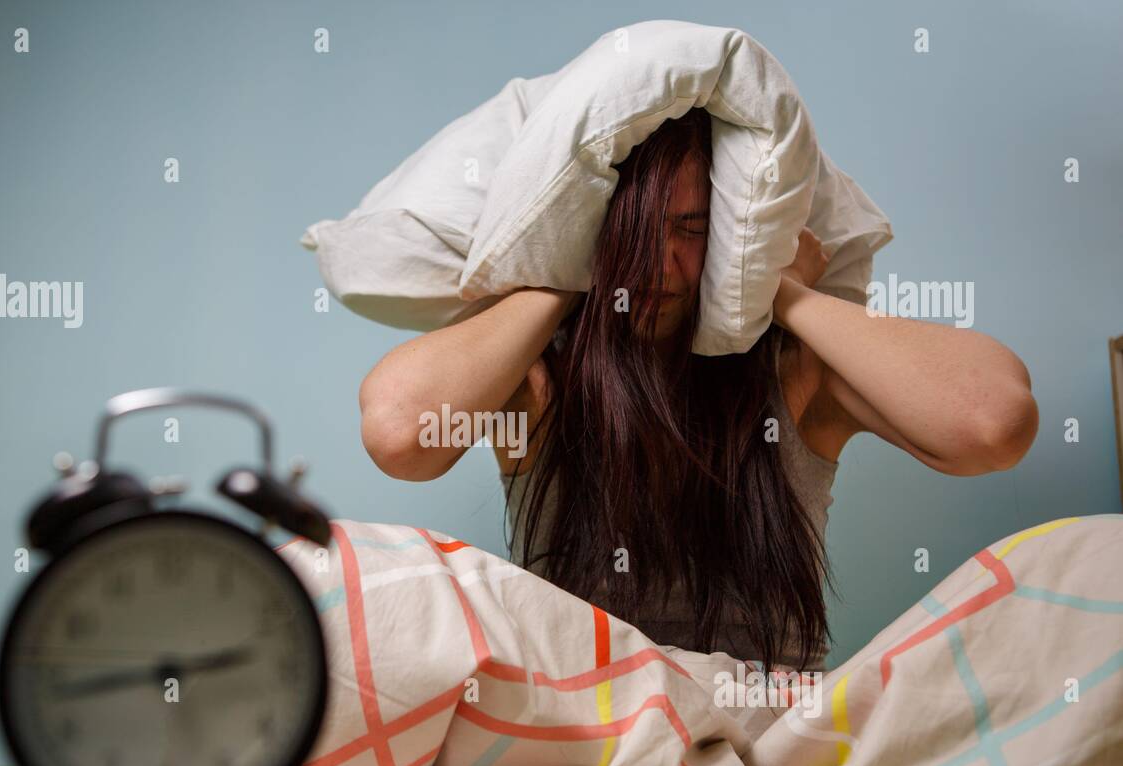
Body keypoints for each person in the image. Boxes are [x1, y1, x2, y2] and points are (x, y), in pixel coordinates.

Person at [357, 108, 1038, 675]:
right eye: (632, 232)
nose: (661, 264)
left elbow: (994, 422)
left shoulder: (795, 377)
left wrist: (781, 288)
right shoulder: (541, 381)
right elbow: (396, 433)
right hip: (588, 737)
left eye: (693, 229)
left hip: (769, 745)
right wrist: (564, 271)